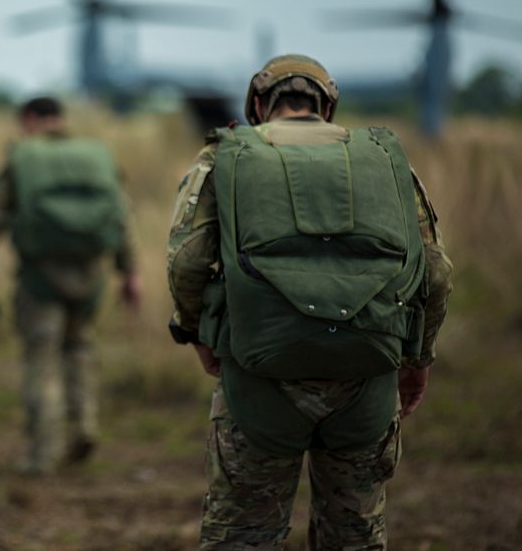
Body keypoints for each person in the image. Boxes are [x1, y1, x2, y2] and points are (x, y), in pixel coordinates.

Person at [166, 54, 453, 548]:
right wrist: (417, 359)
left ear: (257, 104)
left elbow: (188, 262)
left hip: (258, 379)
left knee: (244, 534)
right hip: (365, 378)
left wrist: (197, 333)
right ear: (328, 106)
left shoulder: (226, 156)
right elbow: (437, 273)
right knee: (354, 534)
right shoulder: (381, 159)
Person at [0, 96, 141, 475]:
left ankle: (41, 454)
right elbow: (121, 217)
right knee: (79, 349)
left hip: (40, 277)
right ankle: (84, 427)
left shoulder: (22, 156)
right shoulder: (97, 155)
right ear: (60, 119)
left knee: (41, 359)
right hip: (90, 275)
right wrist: (129, 272)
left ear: (28, 119)